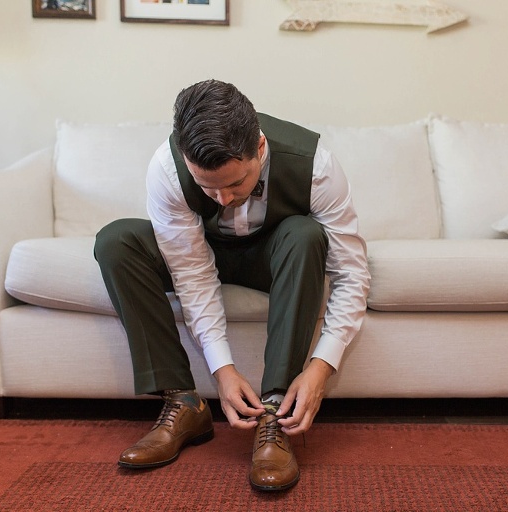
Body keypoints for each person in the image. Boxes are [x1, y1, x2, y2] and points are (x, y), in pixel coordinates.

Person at [94, 79, 370, 492]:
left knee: (305, 234)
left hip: (275, 256)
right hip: (202, 252)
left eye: (236, 184)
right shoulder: (167, 168)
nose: (222, 199)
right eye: (208, 188)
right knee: (116, 241)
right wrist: (222, 369)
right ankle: (183, 404)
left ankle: (275, 412)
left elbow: (351, 273)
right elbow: (191, 271)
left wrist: (321, 367)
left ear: (259, 148)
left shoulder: (317, 165)